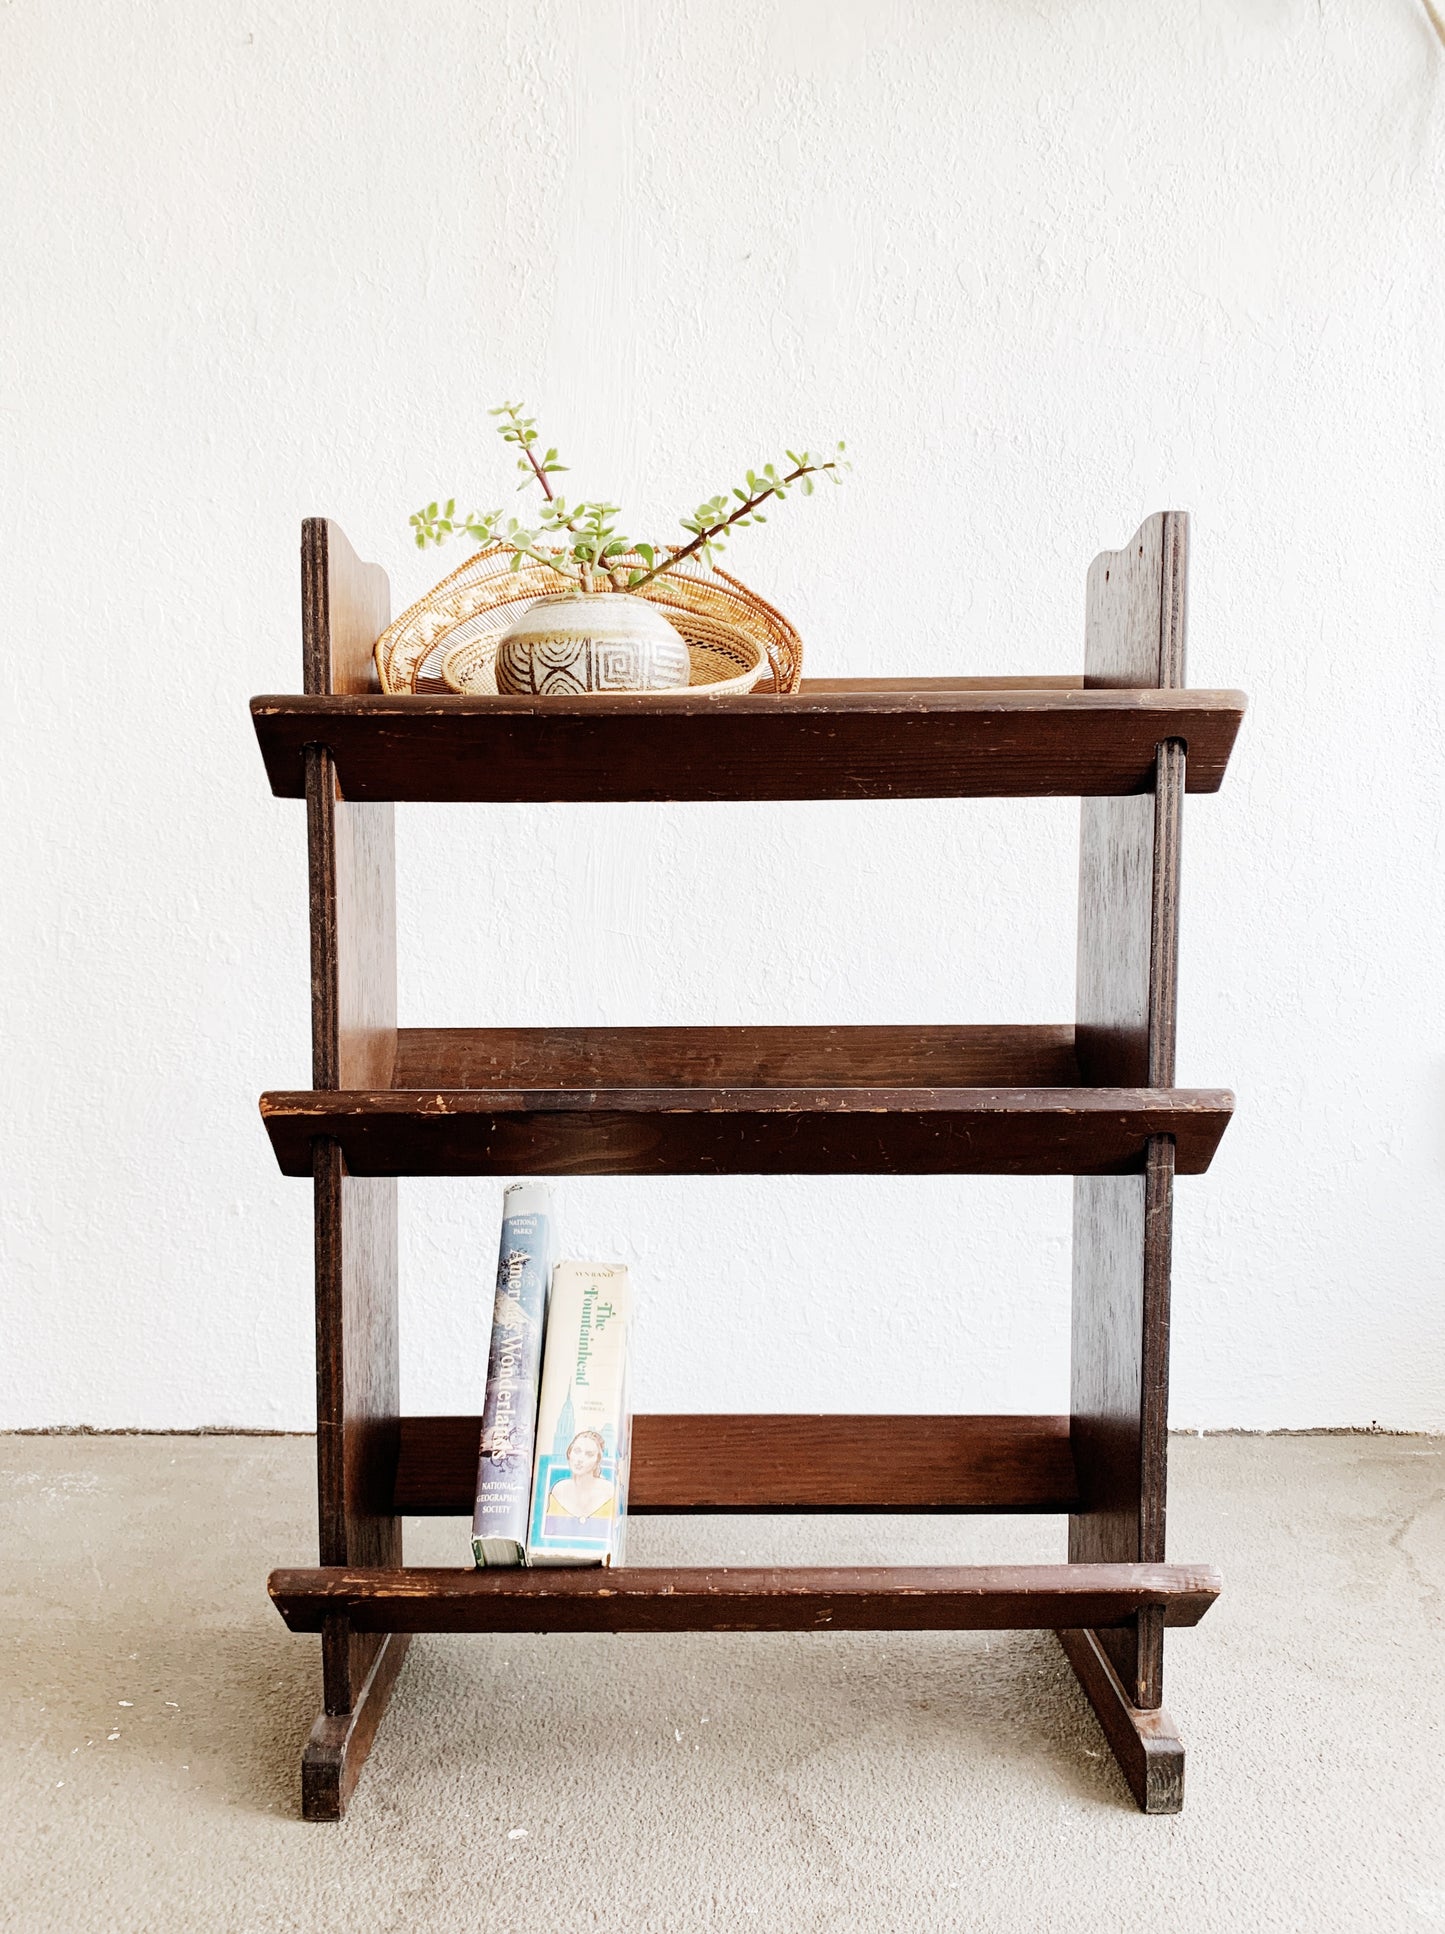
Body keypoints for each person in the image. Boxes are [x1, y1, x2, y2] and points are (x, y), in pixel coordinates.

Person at [545, 1428, 614, 1534]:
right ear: (569, 1454)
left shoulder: (609, 1491)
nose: (580, 1459)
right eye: (577, 1451)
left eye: (589, 1454)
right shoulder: (558, 1489)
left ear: (597, 1461)